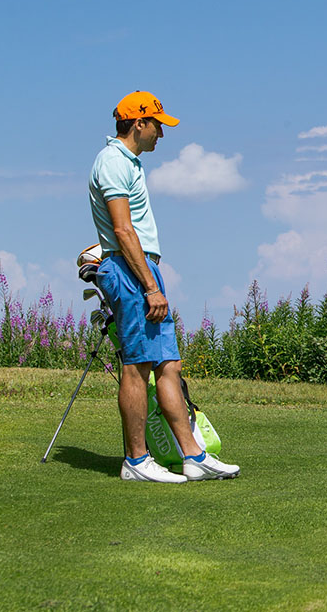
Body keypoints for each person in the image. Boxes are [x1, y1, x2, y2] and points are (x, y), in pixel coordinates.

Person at [89, 91, 240, 482]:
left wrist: (153, 280)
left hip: (144, 269)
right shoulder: (111, 162)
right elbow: (122, 229)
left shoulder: (131, 163)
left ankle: (194, 455)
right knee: (138, 366)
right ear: (138, 123)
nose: (161, 133)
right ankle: (136, 461)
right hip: (130, 271)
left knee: (168, 366)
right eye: (157, 124)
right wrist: (150, 287)